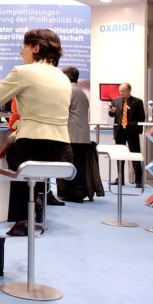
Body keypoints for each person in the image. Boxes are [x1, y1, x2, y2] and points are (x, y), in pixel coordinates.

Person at [0, 29, 72, 236]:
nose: (21, 52)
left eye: (24, 47)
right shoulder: (63, 78)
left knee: (18, 155)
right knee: (23, 154)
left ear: (36, 48)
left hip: (30, 152)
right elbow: (41, 121)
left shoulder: (23, 72)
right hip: (63, 153)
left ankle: (22, 219)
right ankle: (34, 205)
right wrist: (9, 140)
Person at [57, 67, 89, 203]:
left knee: (68, 165)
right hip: (82, 136)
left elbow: (60, 111)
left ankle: (69, 194)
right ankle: (78, 194)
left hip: (71, 135)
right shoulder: (81, 92)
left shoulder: (68, 91)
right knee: (79, 166)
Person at [108, 82, 146, 188]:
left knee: (135, 155)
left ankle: (138, 180)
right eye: (120, 91)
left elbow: (142, 117)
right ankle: (120, 179)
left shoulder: (138, 102)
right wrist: (112, 111)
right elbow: (111, 114)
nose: (121, 93)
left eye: (123, 91)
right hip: (120, 131)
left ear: (129, 90)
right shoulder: (115, 101)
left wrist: (138, 129)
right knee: (119, 156)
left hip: (132, 132)